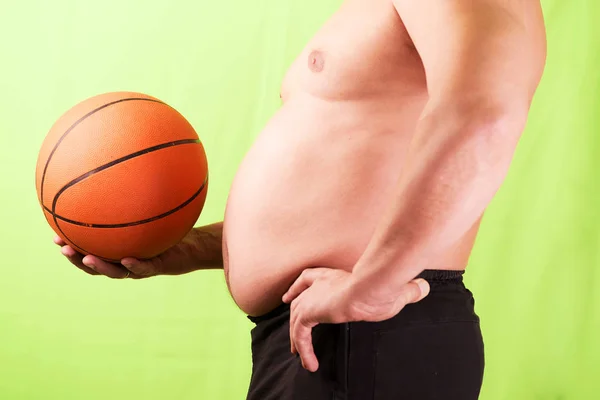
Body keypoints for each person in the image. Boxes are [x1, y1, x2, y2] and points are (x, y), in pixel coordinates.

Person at [55, 0, 547, 398]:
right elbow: (347, 189)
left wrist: (371, 286)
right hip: (323, 338)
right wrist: (193, 249)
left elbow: (486, 113)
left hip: (370, 331)